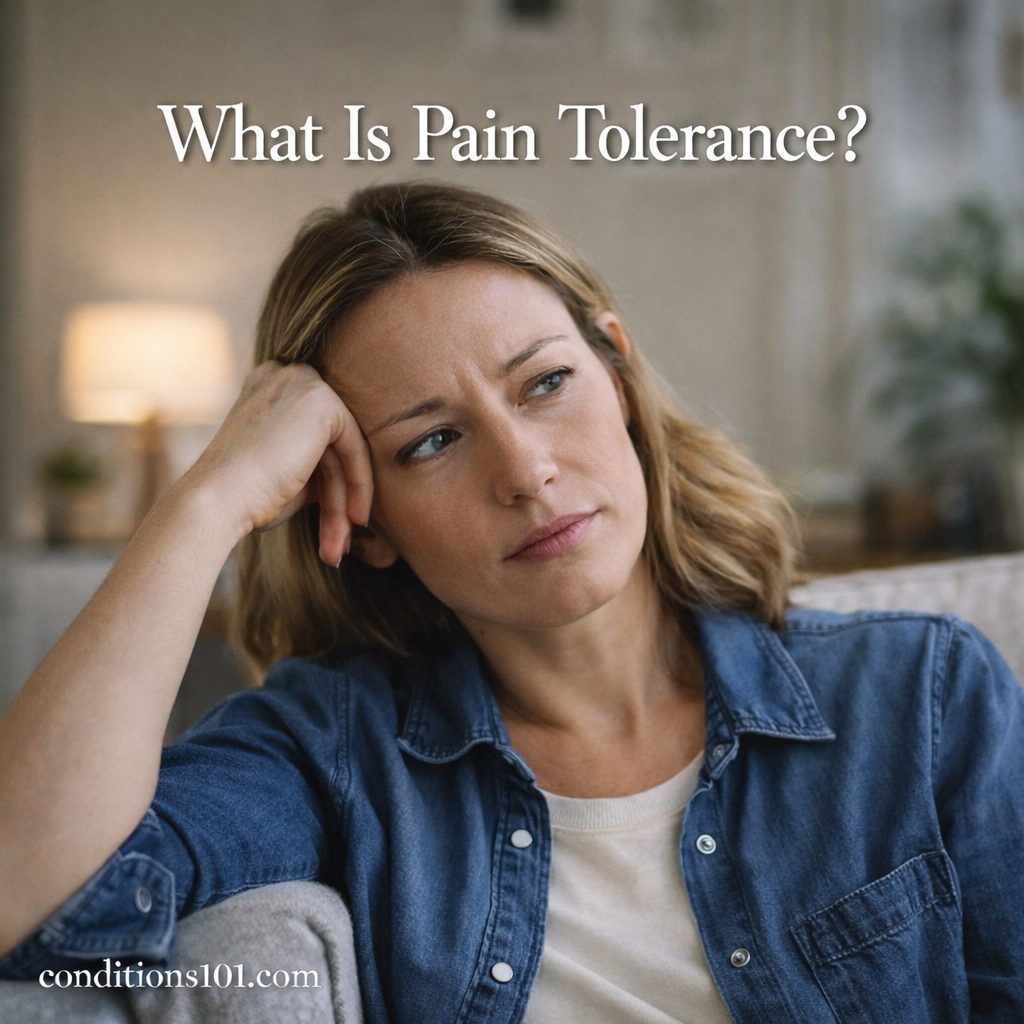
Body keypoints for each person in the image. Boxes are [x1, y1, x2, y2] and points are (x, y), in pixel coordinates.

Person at [0, 181, 1021, 1023]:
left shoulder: (925, 692)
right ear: (365, 517)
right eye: (430, 441)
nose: (525, 471)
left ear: (615, 375)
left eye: (543, 384)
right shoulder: (334, 752)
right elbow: (38, 901)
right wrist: (208, 500)